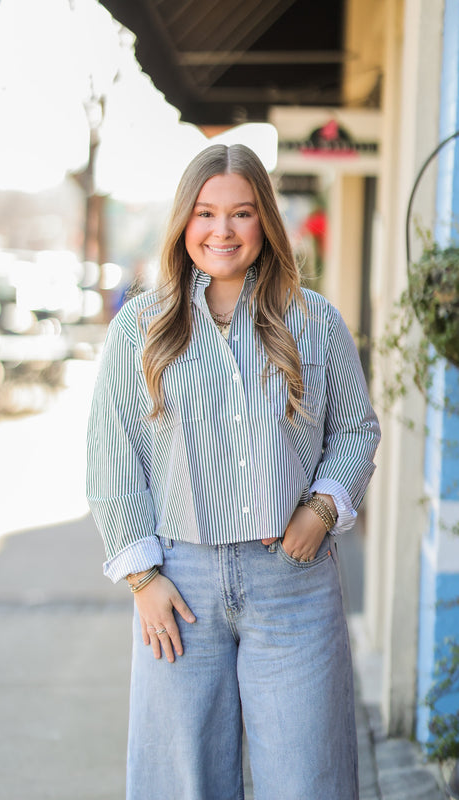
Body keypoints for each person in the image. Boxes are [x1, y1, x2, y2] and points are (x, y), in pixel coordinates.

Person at [86, 143, 381, 800]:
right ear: (183, 222)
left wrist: (323, 507)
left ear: (264, 223)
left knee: (307, 781)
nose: (222, 230)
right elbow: (113, 455)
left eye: (241, 213)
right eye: (205, 212)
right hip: (178, 588)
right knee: (181, 783)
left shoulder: (314, 320)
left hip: (293, 585)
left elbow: (357, 429)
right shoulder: (140, 328)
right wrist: (141, 578)